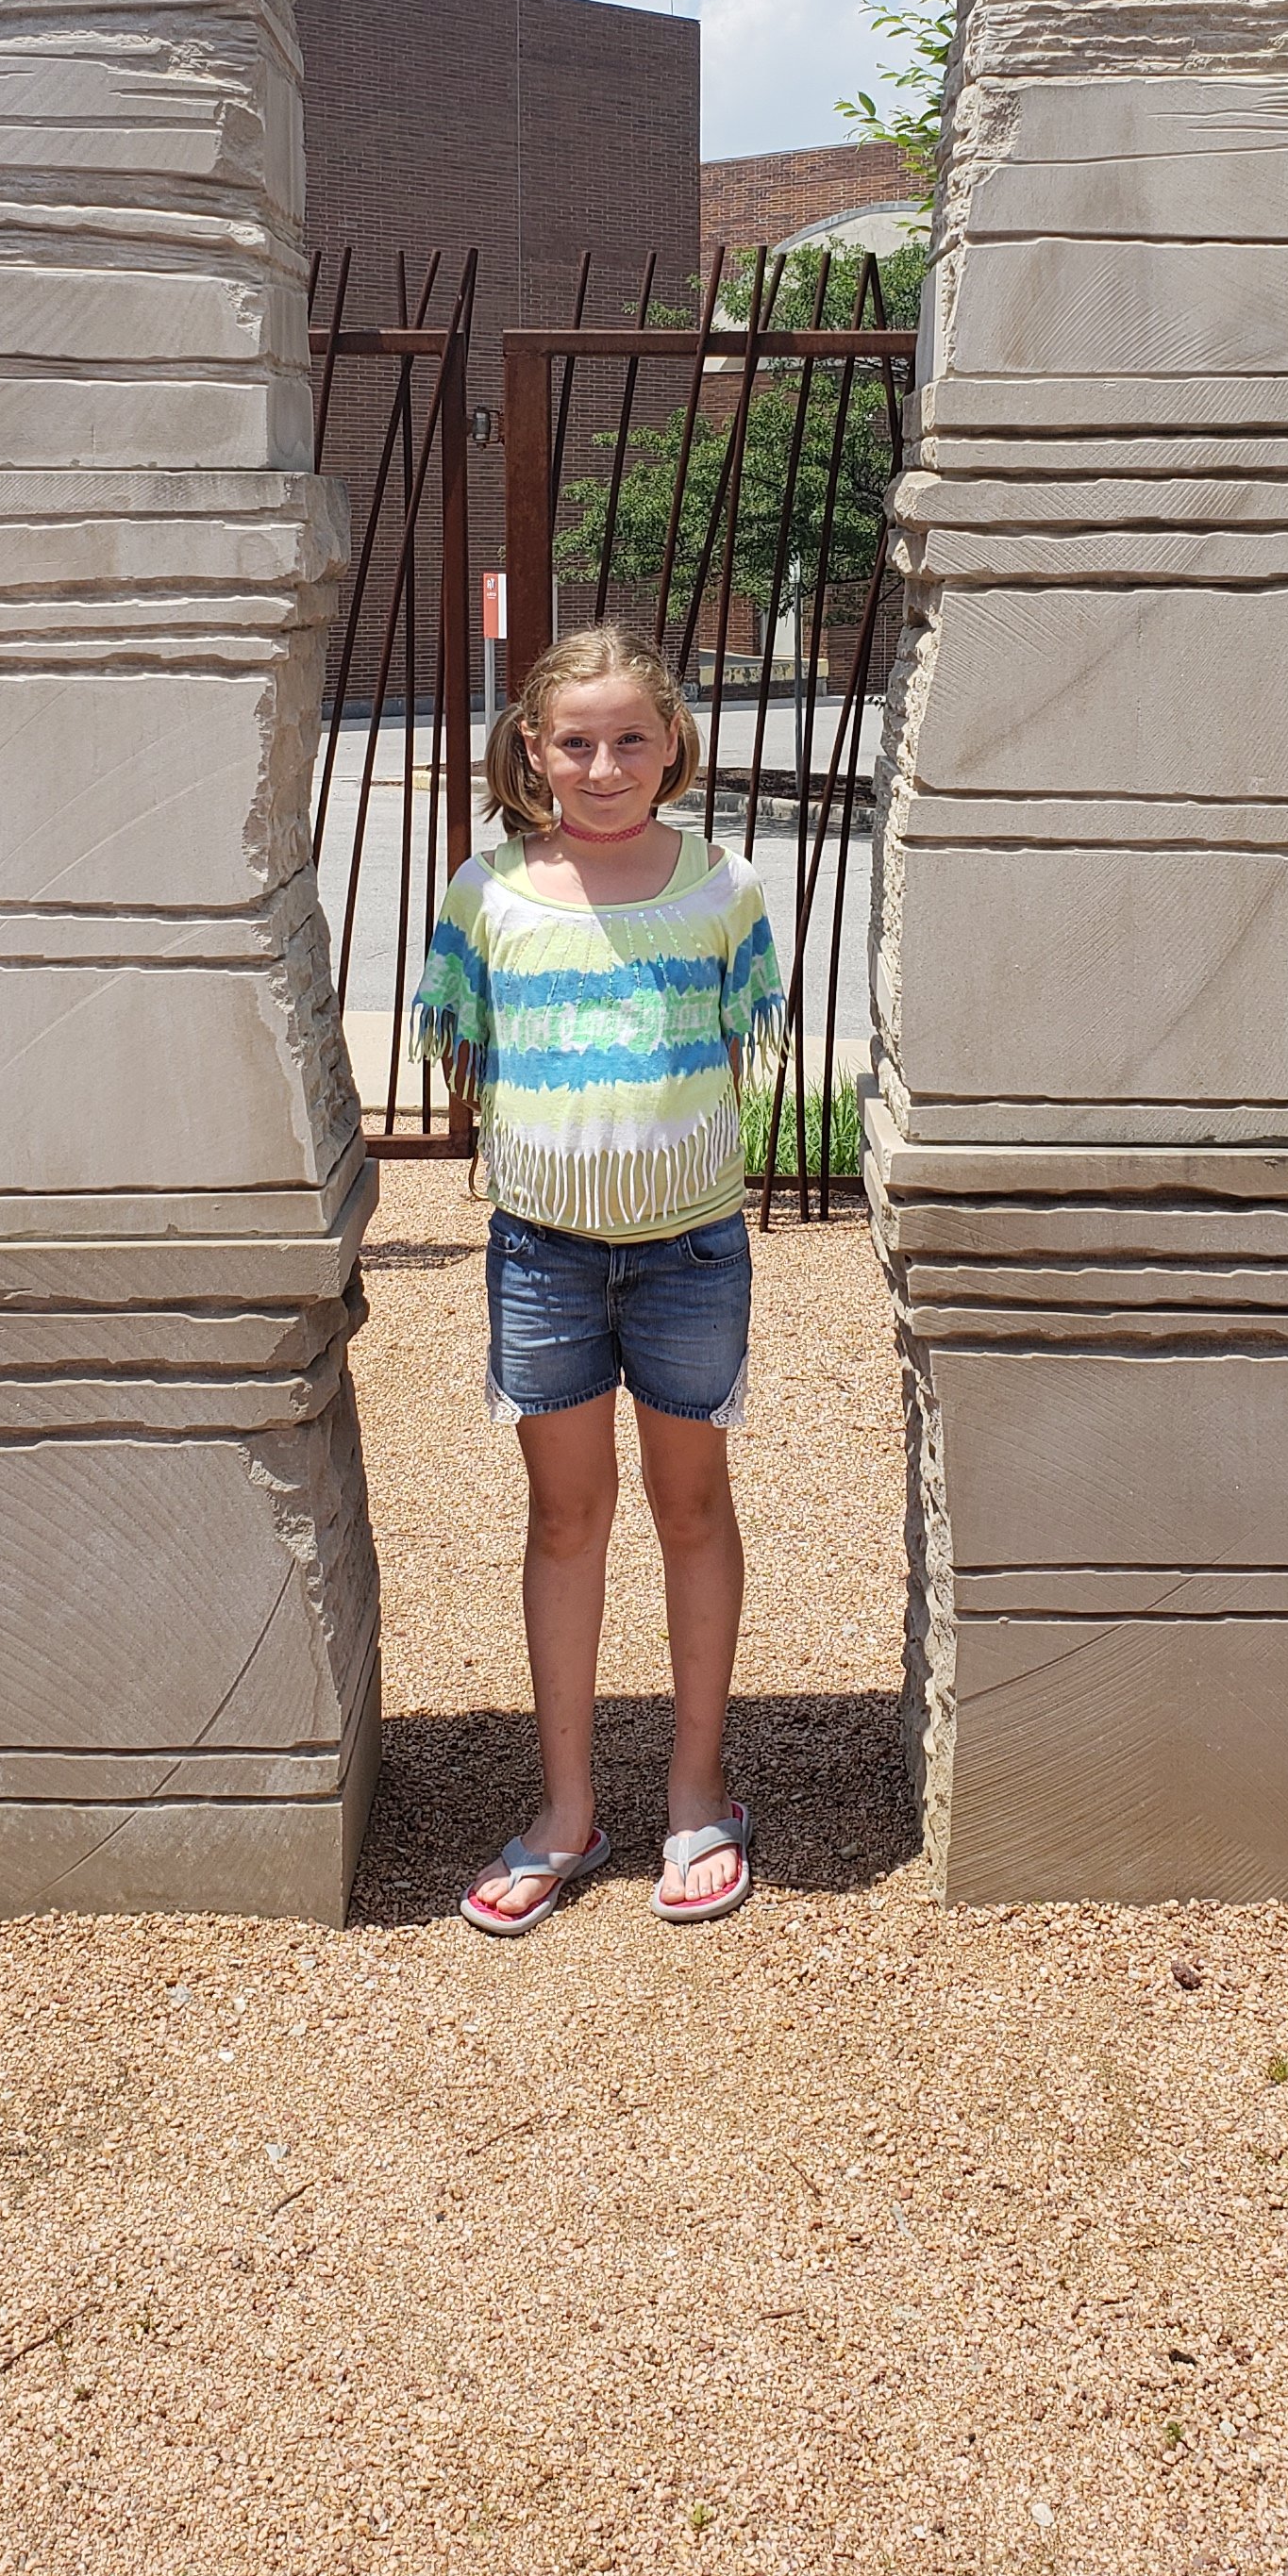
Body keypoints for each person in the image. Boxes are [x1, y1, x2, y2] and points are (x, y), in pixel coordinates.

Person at [410, 619, 785, 1936]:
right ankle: (568, 1808)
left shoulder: (725, 888)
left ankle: (698, 1787)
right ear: (534, 750)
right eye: (578, 742)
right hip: (543, 1258)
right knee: (565, 1521)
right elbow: (468, 1049)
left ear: (673, 745)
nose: (605, 763)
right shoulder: (487, 893)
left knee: (693, 1508)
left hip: (690, 1251)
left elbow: (739, 1049)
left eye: (632, 738)